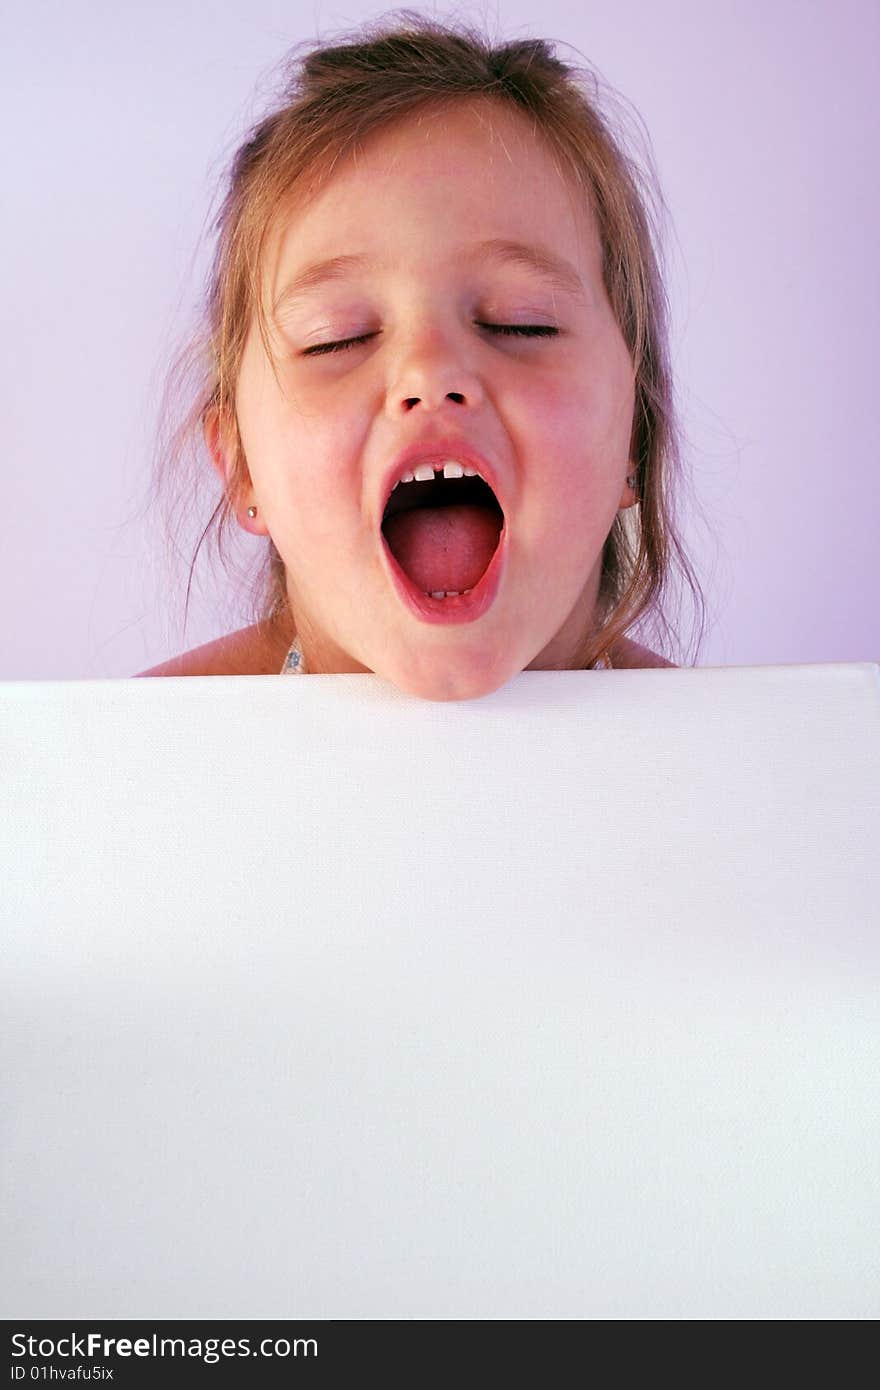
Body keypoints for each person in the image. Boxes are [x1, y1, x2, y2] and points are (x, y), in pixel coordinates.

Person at [136, 13, 705, 699]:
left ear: (635, 441)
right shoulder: (110, 779)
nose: (430, 373)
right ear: (243, 469)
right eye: (336, 336)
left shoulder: (771, 786)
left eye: (519, 324)